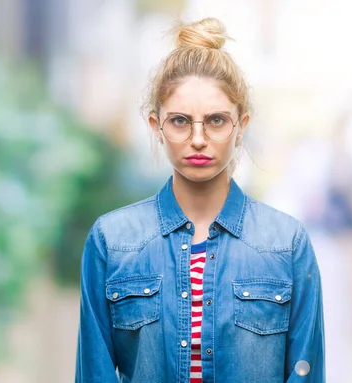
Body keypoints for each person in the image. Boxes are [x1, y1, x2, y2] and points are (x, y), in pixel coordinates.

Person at [75, 17, 325, 383]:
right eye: (179, 121)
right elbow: (94, 373)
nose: (197, 138)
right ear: (155, 126)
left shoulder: (286, 244)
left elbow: (307, 373)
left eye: (216, 121)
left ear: (241, 126)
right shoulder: (112, 241)